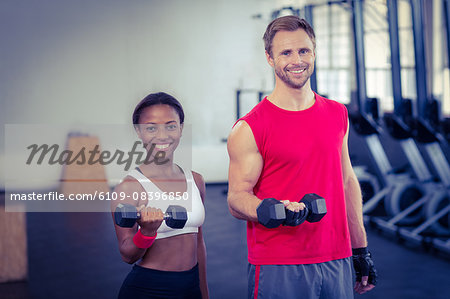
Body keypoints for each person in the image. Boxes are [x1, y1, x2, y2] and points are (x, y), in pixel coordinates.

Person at [227, 15, 377, 298]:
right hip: (279, 262)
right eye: (286, 52)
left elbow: (346, 182)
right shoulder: (250, 127)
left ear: (314, 52)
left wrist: (360, 249)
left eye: (304, 50)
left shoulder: (337, 113)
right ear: (270, 59)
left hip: (336, 257)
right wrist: (267, 209)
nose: (297, 60)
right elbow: (236, 198)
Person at [111, 92, 209, 299]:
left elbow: (199, 243)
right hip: (149, 289)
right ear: (139, 131)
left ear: (181, 128)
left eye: (171, 125)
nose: (162, 135)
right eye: (151, 127)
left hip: (191, 287)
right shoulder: (129, 188)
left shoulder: (196, 181)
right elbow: (127, 254)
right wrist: (146, 231)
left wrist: (203, 292)